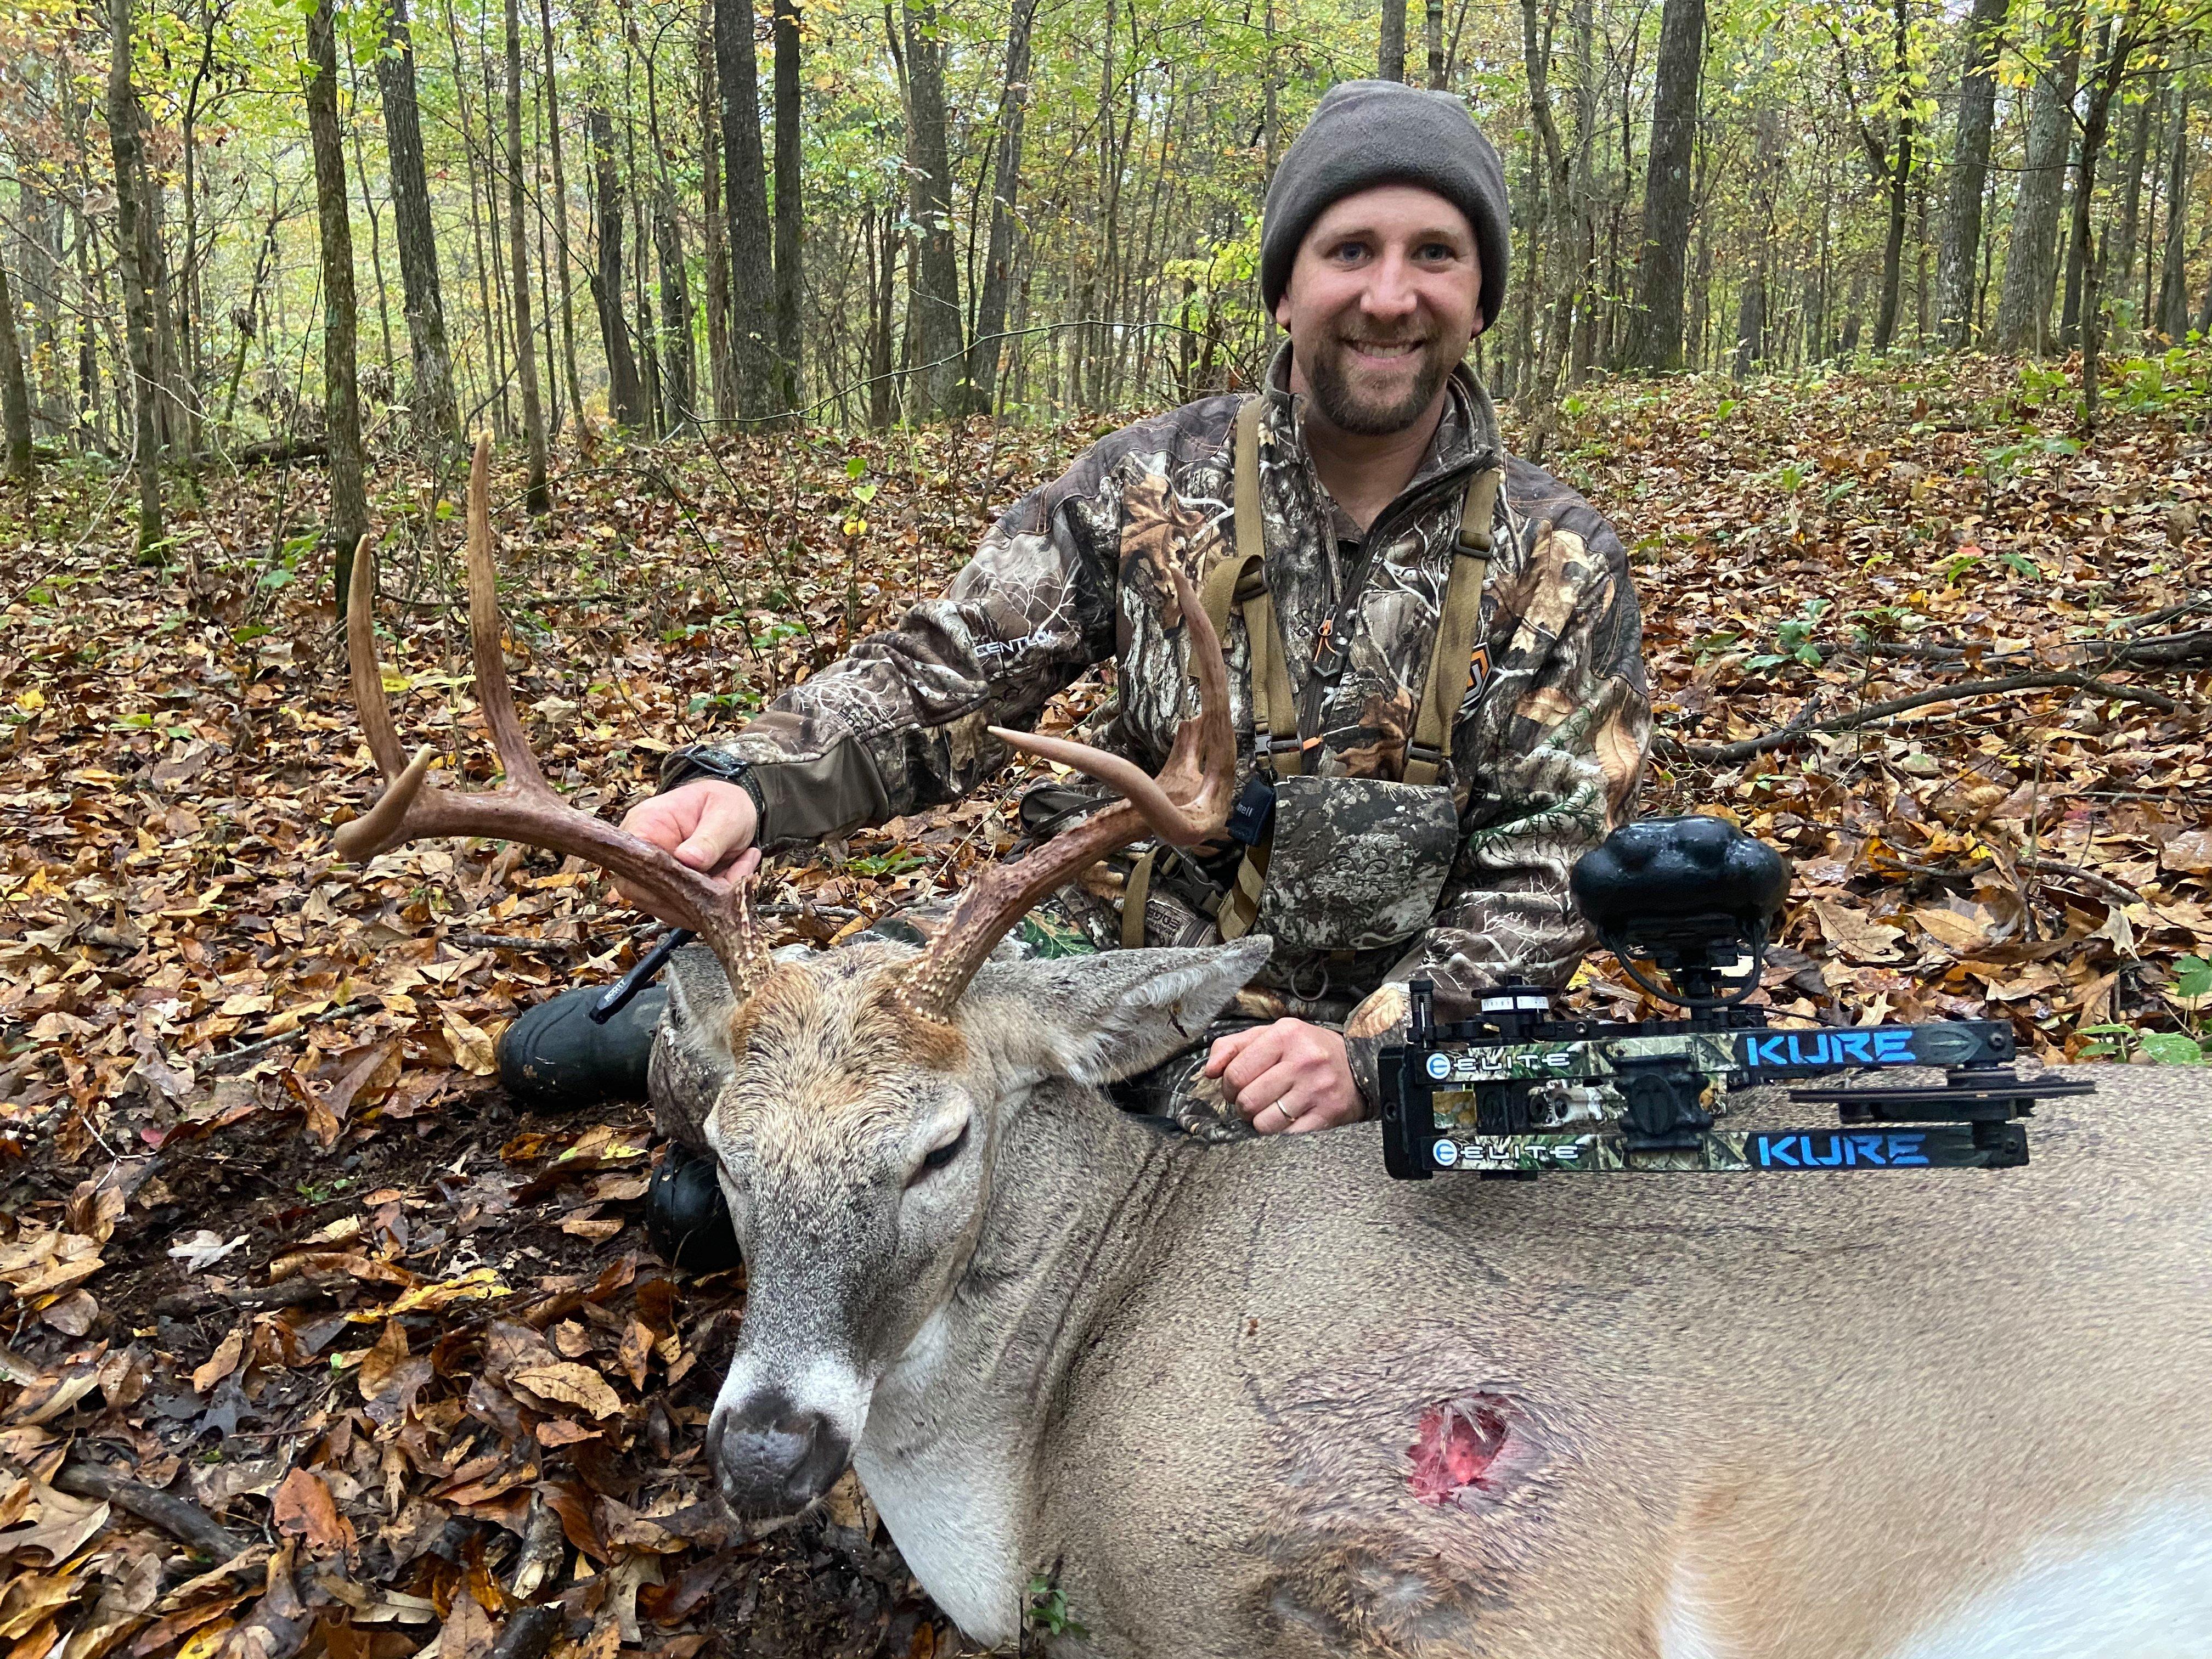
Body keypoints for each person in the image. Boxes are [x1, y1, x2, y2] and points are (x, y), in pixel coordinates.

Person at [499, 81, 1649, 1246]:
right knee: (783, 1064)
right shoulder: (1152, 484)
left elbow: (1549, 870)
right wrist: (744, 782)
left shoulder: (1561, 560)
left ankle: (820, 1198)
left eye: (1435, 256)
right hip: (1113, 945)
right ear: (1289, 284)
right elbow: (950, 667)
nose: (1389, 296)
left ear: (1480, 296)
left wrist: (1372, 1052)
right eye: (1350, 249)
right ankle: (677, 1055)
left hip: (1334, 1025)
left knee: (1196, 1210)